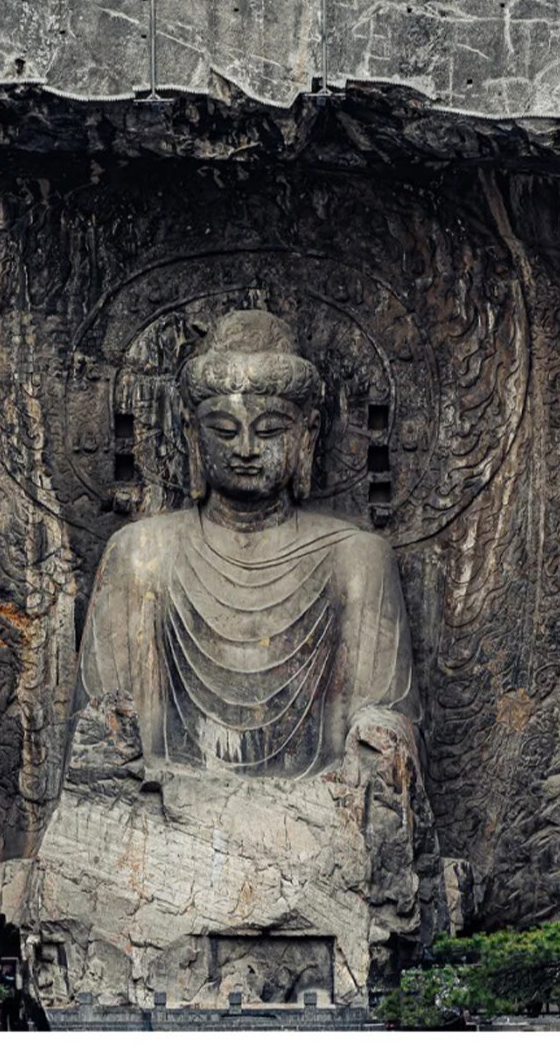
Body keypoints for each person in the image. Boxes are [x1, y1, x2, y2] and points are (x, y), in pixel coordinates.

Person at [74, 309, 419, 779]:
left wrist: (379, 739)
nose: (246, 449)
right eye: (224, 430)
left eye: (270, 430)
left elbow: (383, 721)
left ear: (307, 435)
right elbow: (103, 736)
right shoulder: (141, 554)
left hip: (317, 805)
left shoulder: (356, 559)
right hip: (167, 801)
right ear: (192, 433)